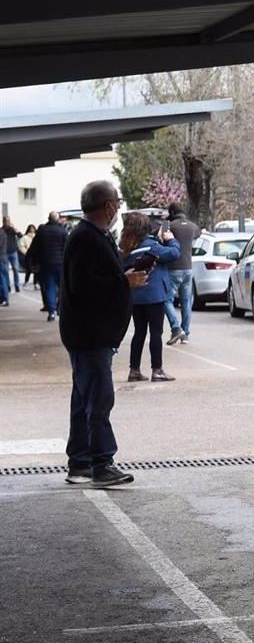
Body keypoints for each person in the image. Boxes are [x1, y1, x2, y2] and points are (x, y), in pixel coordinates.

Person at [60, 181, 146, 488]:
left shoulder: (90, 235)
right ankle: (102, 464)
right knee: (99, 399)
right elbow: (84, 287)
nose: (119, 209)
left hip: (89, 333)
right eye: (117, 203)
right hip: (90, 334)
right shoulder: (86, 238)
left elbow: (95, 278)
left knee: (84, 399)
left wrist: (122, 272)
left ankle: (81, 462)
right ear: (108, 206)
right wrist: (124, 283)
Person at [120, 213, 180, 382]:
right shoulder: (152, 247)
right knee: (156, 333)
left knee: (139, 332)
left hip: (136, 297)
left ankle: (134, 370)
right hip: (154, 296)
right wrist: (170, 238)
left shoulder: (127, 248)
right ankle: (157, 369)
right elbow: (175, 253)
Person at [162, 203, 201, 345]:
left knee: (166, 299)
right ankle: (185, 335)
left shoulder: (169, 225)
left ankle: (176, 328)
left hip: (173, 268)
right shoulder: (192, 226)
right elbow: (199, 233)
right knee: (186, 302)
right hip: (188, 268)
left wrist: (165, 221)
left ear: (171, 212)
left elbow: (159, 237)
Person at [27, 212, 69, 321]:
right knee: (62, 287)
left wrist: (32, 259)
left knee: (49, 287)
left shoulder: (42, 231)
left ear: (48, 218)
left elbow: (35, 246)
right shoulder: (62, 231)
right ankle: (60, 308)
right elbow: (67, 248)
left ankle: (51, 311)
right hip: (60, 263)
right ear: (58, 219)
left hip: (46, 263)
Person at [0, 215, 16, 305]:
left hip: (2, 257)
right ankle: (3, 298)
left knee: (2, 279)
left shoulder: (3, 232)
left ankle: (5, 299)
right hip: (4, 256)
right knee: (4, 278)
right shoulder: (2, 231)